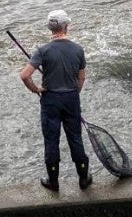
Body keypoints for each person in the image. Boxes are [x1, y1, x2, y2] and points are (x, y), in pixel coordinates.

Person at [19, 10, 91, 192]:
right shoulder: (77, 49)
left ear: (50, 28)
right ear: (66, 26)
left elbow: (25, 75)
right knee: (75, 137)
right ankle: (83, 179)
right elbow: (81, 78)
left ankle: (53, 182)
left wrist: (36, 89)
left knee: (51, 140)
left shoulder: (43, 50)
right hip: (71, 99)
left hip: (50, 100)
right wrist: (74, 94)